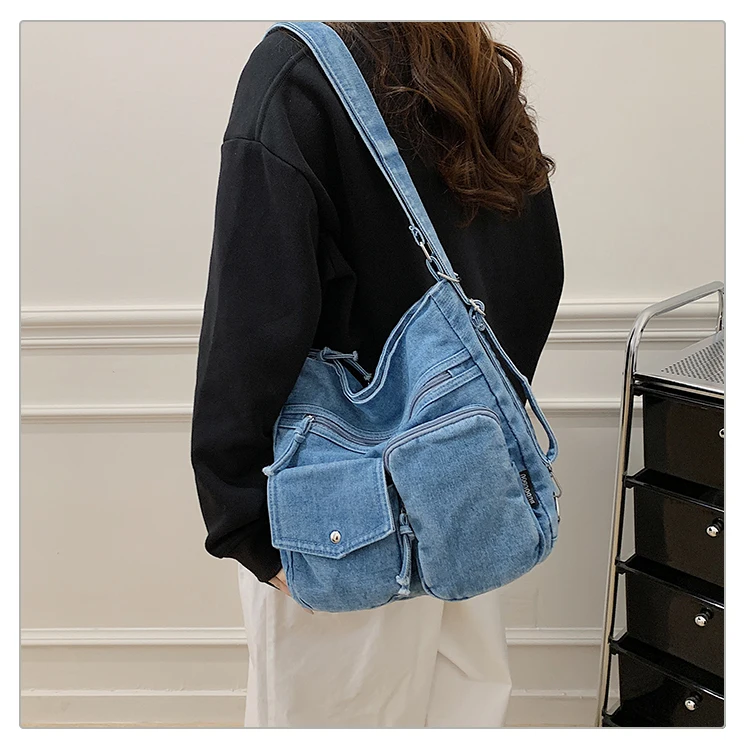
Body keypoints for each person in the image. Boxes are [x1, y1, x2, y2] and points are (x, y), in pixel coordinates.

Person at [190, 21, 564, 728]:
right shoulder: (471, 64)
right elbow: (536, 270)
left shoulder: (294, 73)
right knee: (460, 714)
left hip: (340, 519)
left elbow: (254, 312)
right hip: (471, 502)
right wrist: (470, 436)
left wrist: (244, 523)